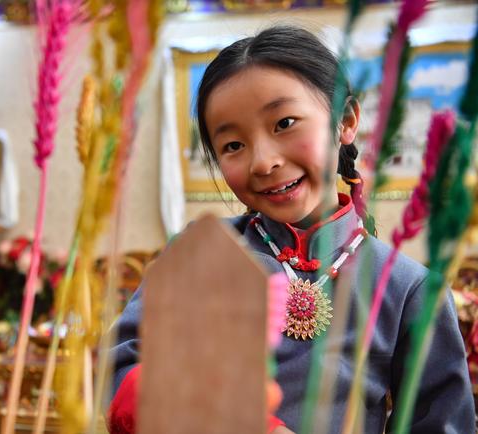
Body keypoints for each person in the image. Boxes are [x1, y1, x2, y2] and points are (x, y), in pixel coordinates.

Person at [108, 25, 474, 434]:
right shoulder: (200, 253)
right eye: (233, 145)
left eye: (284, 123)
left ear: (345, 120)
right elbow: (119, 369)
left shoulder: (409, 290)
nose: (263, 162)